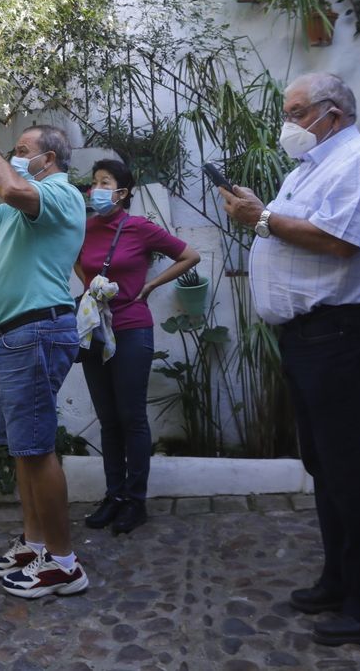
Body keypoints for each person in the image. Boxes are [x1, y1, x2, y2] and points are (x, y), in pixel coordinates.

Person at [218, 72, 360, 648]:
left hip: (343, 333)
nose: (289, 124)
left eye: (298, 112)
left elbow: (339, 240)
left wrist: (261, 218)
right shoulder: (309, 168)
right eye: (287, 113)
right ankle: (343, 579)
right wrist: (262, 213)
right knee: (327, 467)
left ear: (335, 112)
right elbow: (295, 233)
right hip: (311, 336)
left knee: (353, 470)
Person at [0, 120, 89, 599]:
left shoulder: (60, 194)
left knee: (36, 449)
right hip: (15, 336)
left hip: (35, 331)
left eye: (22, 148)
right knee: (24, 450)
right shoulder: (23, 206)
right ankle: (35, 547)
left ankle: (64, 564)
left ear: (48, 159)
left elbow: (9, 187)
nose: (12, 154)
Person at [77, 158, 199, 535]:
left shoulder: (139, 228)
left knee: (131, 416)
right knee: (108, 418)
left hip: (131, 328)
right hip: (95, 331)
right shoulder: (84, 228)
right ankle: (113, 496)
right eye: (94, 182)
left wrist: (150, 286)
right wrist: (92, 289)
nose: (96, 189)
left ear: (122, 193)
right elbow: (79, 264)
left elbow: (189, 256)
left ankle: (135, 501)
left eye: (105, 182)